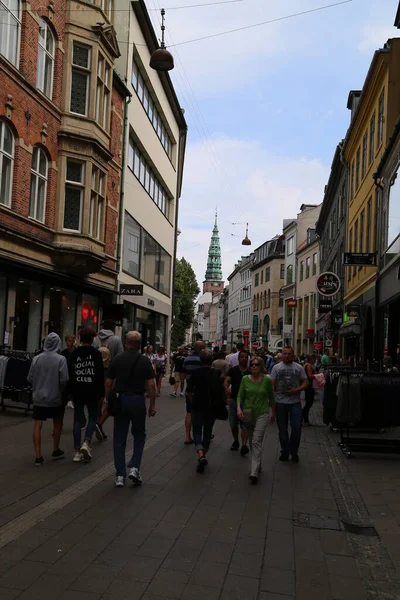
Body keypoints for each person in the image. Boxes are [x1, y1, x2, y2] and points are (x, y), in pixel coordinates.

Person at [106, 331, 156, 487]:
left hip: (121, 400)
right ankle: (134, 467)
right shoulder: (144, 361)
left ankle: (120, 475)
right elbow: (151, 385)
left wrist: (108, 400)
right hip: (138, 400)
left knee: (119, 438)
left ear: (126, 342)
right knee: (139, 435)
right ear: (139, 343)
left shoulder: (117, 359)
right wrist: (152, 404)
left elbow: (108, 383)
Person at [27, 333, 69, 466]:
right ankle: (55, 449)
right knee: (57, 423)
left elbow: (30, 378)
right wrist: (60, 389)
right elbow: (64, 379)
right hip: (55, 397)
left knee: (38, 424)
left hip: (39, 397)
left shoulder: (37, 359)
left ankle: (38, 455)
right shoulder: (61, 359)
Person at [68, 328, 105, 462]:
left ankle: (77, 451)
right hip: (92, 390)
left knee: (77, 419)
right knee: (93, 417)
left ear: (80, 339)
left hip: (77, 390)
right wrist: (102, 393)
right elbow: (100, 375)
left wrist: (70, 392)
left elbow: (70, 374)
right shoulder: (96, 354)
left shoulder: (74, 354)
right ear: (92, 339)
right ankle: (87, 442)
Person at [237, 357, 275, 484]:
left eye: (256, 364)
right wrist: (239, 409)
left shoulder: (267, 380)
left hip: (262, 414)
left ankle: (254, 472)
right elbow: (240, 396)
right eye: (252, 364)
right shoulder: (245, 379)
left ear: (261, 366)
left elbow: (271, 397)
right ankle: (258, 464)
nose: (254, 366)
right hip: (248, 414)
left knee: (256, 440)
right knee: (253, 441)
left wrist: (273, 413)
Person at [186, 350, 226, 473]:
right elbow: (222, 391)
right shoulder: (217, 373)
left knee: (197, 430)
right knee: (207, 431)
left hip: (198, 405)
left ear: (200, 360)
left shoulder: (196, 373)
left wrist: (192, 402)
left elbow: (189, 391)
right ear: (211, 360)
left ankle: (200, 455)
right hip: (212, 407)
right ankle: (204, 453)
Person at [271, 347, 308, 463]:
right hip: (280, 402)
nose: (287, 356)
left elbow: (306, 382)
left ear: (293, 355)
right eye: (285, 353)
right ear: (282, 355)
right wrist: (272, 404)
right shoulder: (276, 367)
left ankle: (294, 450)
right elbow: (272, 385)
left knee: (297, 428)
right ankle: (285, 451)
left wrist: (297, 390)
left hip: (295, 402)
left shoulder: (299, 367)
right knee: (282, 429)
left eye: (289, 354)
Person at [224, 350, 250, 455]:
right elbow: (227, 380)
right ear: (238, 358)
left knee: (245, 424)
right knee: (233, 423)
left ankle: (244, 445)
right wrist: (226, 388)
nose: (244, 358)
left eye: (245, 357)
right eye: (242, 357)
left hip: (247, 401)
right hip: (234, 400)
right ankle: (236, 440)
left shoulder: (250, 371)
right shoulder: (233, 370)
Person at [183, 341, 206, 444]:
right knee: (203, 413)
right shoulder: (203, 360)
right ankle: (203, 435)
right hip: (201, 390)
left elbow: (184, 374)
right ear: (201, 349)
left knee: (189, 412)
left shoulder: (187, 359)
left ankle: (188, 437)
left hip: (190, 390)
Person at [302, 354, 316, 426]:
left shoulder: (305, 365)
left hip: (307, 385)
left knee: (308, 403)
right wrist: (317, 376)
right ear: (312, 359)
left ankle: (305, 419)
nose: (315, 361)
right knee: (309, 403)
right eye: (314, 359)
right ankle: (304, 419)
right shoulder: (309, 366)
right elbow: (310, 376)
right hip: (309, 386)